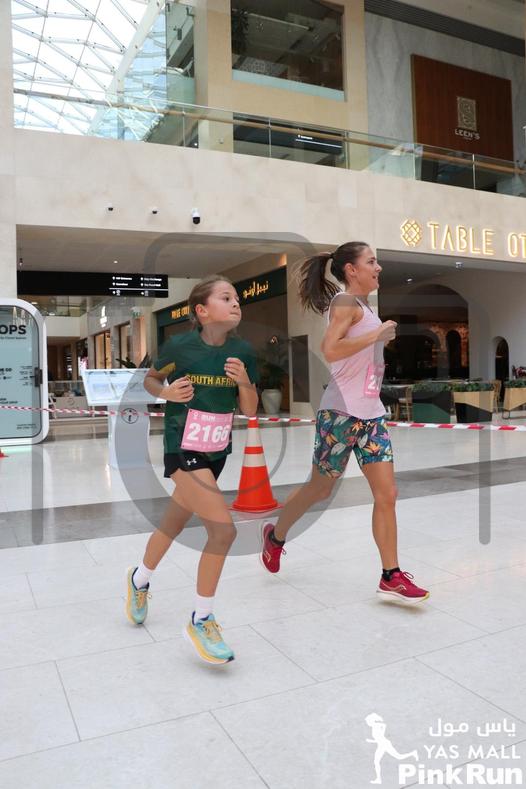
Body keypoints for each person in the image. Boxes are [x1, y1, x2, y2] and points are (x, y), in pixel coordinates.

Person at [260, 242, 429, 603]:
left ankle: (391, 575)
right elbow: (330, 349)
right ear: (351, 269)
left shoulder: (363, 306)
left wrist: (375, 337)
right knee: (319, 489)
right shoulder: (344, 302)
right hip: (340, 414)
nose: (378, 267)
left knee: (387, 494)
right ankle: (275, 536)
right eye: (371, 261)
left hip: (372, 414)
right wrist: (376, 335)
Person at [126, 275, 258, 664]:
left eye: (237, 298)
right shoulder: (179, 347)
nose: (236, 303)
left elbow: (250, 409)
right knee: (223, 530)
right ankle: (201, 619)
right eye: (226, 298)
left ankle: (139, 579)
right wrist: (165, 392)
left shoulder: (242, 351)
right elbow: (151, 379)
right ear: (202, 310)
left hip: (216, 451)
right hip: (182, 447)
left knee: (172, 524)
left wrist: (244, 381)